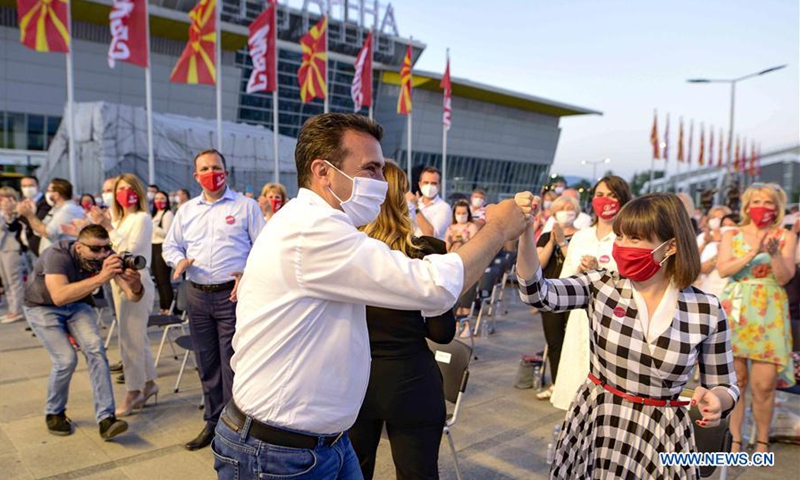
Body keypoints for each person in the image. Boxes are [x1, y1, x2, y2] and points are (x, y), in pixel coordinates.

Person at [220, 113, 527, 480]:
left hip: (324, 442)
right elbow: (434, 286)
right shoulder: (312, 230)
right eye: (371, 169)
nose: (382, 183)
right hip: (282, 453)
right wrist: (498, 229)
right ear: (324, 172)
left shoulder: (322, 225)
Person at [516, 192, 739, 479]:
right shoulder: (601, 285)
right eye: (619, 236)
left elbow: (725, 383)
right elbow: (537, 294)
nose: (621, 247)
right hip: (598, 421)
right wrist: (525, 232)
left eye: (634, 239)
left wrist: (718, 399)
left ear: (670, 246)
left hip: (662, 433)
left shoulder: (705, 309)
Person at [349, 161, 456, 480]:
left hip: (355, 380)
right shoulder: (428, 253)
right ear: (403, 198)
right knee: (418, 473)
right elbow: (442, 333)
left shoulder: (346, 252)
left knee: (353, 472)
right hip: (411, 381)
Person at [162, 149, 265, 451]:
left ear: (226, 172)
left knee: (233, 364)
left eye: (216, 167)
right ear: (195, 176)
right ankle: (213, 422)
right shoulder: (187, 210)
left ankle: (237, 429)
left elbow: (263, 248)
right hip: (196, 295)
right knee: (206, 363)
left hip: (232, 296)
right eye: (204, 169)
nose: (211, 173)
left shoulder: (246, 207)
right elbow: (171, 245)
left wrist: (247, 273)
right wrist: (178, 261)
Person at [23, 224, 139, 439]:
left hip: (77, 304)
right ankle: (54, 412)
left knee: (96, 349)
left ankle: (106, 419)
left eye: (106, 248)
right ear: (78, 247)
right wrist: (102, 277)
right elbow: (58, 296)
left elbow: (133, 296)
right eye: (95, 250)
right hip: (42, 306)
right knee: (66, 360)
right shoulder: (57, 255)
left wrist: (136, 283)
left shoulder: (107, 256)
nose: (102, 254)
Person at [717, 183, 797, 453]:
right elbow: (723, 269)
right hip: (737, 307)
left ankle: (762, 440)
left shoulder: (785, 236)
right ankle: (735, 438)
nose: (763, 206)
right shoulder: (732, 234)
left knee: (764, 384)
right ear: (747, 206)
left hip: (770, 311)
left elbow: (785, 277)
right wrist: (752, 253)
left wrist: (774, 252)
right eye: (757, 201)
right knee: (736, 380)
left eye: (769, 202)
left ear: (777, 207)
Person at [550, 175, 632, 410]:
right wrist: (580, 271)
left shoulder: (628, 238)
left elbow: (632, 284)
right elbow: (565, 282)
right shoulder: (581, 236)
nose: (605, 200)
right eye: (599, 195)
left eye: (612, 195)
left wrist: (600, 273)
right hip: (580, 321)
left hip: (615, 321)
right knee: (576, 387)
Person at [92, 174, 159, 416]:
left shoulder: (141, 218)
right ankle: (149, 383)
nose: (124, 193)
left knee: (129, 340)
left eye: (130, 188)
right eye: (120, 189)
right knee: (135, 337)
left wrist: (108, 227)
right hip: (117, 283)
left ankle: (133, 391)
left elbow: (131, 253)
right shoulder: (119, 220)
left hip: (135, 282)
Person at [533, 195, 581, 401]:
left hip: (575, 294)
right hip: (551, 293)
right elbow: (538, 264)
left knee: (574, 340)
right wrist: (552, 241)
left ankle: (575, 384)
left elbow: (576, 261)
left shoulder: (582, 236)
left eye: (570, 208)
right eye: (562, 208)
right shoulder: (545, 237)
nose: (566, 211)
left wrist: (563, 242)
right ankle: (556, 382)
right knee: (554, 341)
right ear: (554, 212)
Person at [17, 178, 84, 253]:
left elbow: (48, 232)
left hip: (60, 255)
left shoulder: (68, 209)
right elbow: (39, 231)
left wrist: (29, 215)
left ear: (57, 194)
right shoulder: (56, 209)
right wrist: (32, 214)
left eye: (49, 191)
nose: (47, 193)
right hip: (49, 255)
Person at [0, 187, 26, 324]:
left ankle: (17, 310)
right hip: (2, 249)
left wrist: (8, 211)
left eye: (5, 197)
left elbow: (12, 226)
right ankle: (11, 309)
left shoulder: (14, 210)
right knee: (6, 282)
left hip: (11, 248)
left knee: (14, 280)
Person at [695, 206, 733, 298]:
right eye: (713, 217)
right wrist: (706, 242)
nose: (716, 220)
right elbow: (695, 260)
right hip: (707, 285)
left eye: (720, 217)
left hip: (727, 285)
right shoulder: (703, 237)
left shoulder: (733, 237)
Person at [12, 175, 51, 260]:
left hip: (39, 246)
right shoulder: (21, 202)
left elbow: (39, 223)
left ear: (38, 186)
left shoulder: (45, 203)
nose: (27, 189)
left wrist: (26, 214)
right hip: (25, 247)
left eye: (31, 185)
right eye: (24, 186)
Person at [151, 191, 175, 314]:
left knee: (164, 279)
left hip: (162, 246)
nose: (159, 201)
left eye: (162, 198)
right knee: (158, 280)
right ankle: (163, 306)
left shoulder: (168, 214)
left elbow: (167, 233)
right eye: (157, 198)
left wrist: (153, 227)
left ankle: (169, 307)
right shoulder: (154, 215)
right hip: (153, 246)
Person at [412, 166, 451, 240]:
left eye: (433, 183)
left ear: (440, 186)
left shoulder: (444, 207)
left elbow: (431, 234)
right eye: (426, 183)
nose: (429, 186)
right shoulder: (413, 203)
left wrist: (416, 208)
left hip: (431, 251)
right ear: (420, 184)